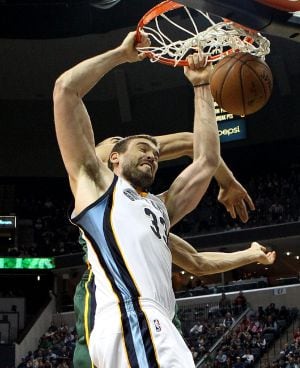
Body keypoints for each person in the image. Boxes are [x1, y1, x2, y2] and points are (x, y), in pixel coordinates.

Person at [54, 30, 275, 367]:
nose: (154, 155)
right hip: (131, 318)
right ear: (114, 157)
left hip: (156, 323)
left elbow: (204, 159)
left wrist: (202, 87)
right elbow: (66, 91)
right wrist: (120, 55)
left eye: (156, 154)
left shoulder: (158, 210)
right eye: (144, 148)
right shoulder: (98, 187)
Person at [73, 138, 276, 368]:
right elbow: (191, 141)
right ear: (114, 158)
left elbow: (196, 261)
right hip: (108, 292)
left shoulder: (146, 214)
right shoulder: (99, 190)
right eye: (119, 143)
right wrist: (225, 179)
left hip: (156, 309)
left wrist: (251, 255)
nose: (149, 154)